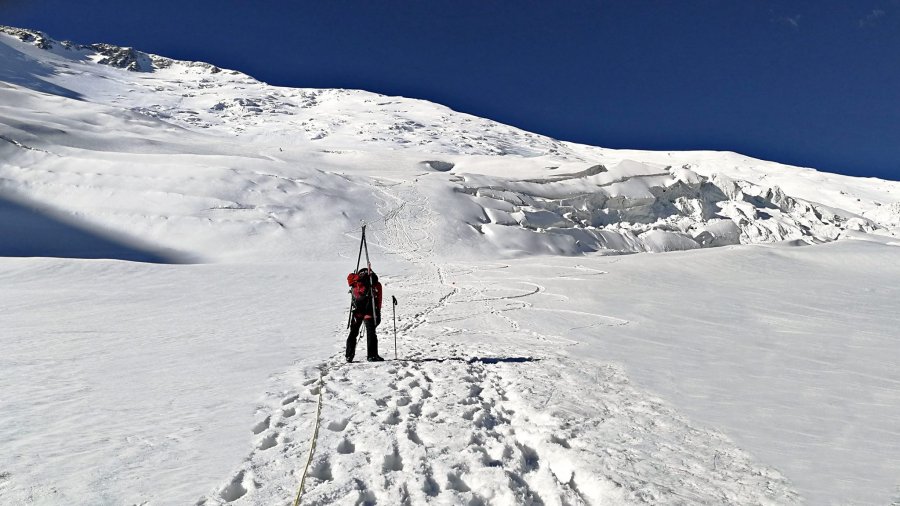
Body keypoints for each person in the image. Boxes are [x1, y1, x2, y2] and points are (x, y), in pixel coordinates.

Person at [346, 267, 383, 362]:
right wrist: (378, 312)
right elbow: (378, 300)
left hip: (357, 311)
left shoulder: (355, 282)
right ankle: (372, 355)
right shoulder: (375, 283)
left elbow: (350, 281)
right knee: (371, 333)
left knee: (353, 332)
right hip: (369, 311)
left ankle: (349, 355)